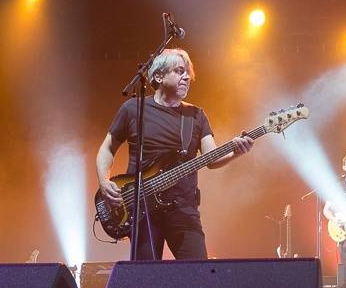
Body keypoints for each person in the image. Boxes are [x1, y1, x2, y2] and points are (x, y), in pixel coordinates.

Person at [96, 48, 254, 260]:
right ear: (159, 76)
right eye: (180, 71)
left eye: (188, 72)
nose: (187, 77)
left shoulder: (196, 116)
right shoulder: (133, 109)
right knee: (146, 280)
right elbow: (107, 148)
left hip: (183, 208)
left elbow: (212, 159)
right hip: (142, 209)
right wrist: (104, 182)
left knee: (197, 275)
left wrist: (236, 151)